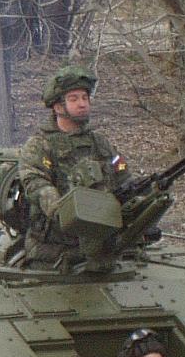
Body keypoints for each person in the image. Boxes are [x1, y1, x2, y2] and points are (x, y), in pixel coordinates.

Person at [15, 65, 128, 240]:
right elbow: (36, 185)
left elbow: (123, 177)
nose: (82, 104)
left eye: (85, 98)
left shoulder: (100, 143)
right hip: (56, 244)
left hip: (104, 239)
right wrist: (65, 212)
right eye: (73, 99)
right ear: (58, 107)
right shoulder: (39, 145)